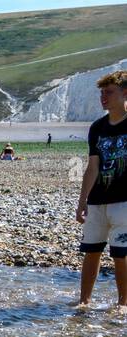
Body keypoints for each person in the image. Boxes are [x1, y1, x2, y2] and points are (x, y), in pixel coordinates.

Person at [76, 69, 127, 309]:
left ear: (125, 93)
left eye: (109, 92)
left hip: (124, 202)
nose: (103, 98)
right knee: (91, 251)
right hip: (98, 200)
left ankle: (122, 304)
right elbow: (92, 167)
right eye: (101, 93)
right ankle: (84, 302)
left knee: (121, 253)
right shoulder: (97, 127)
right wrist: (82, 201)